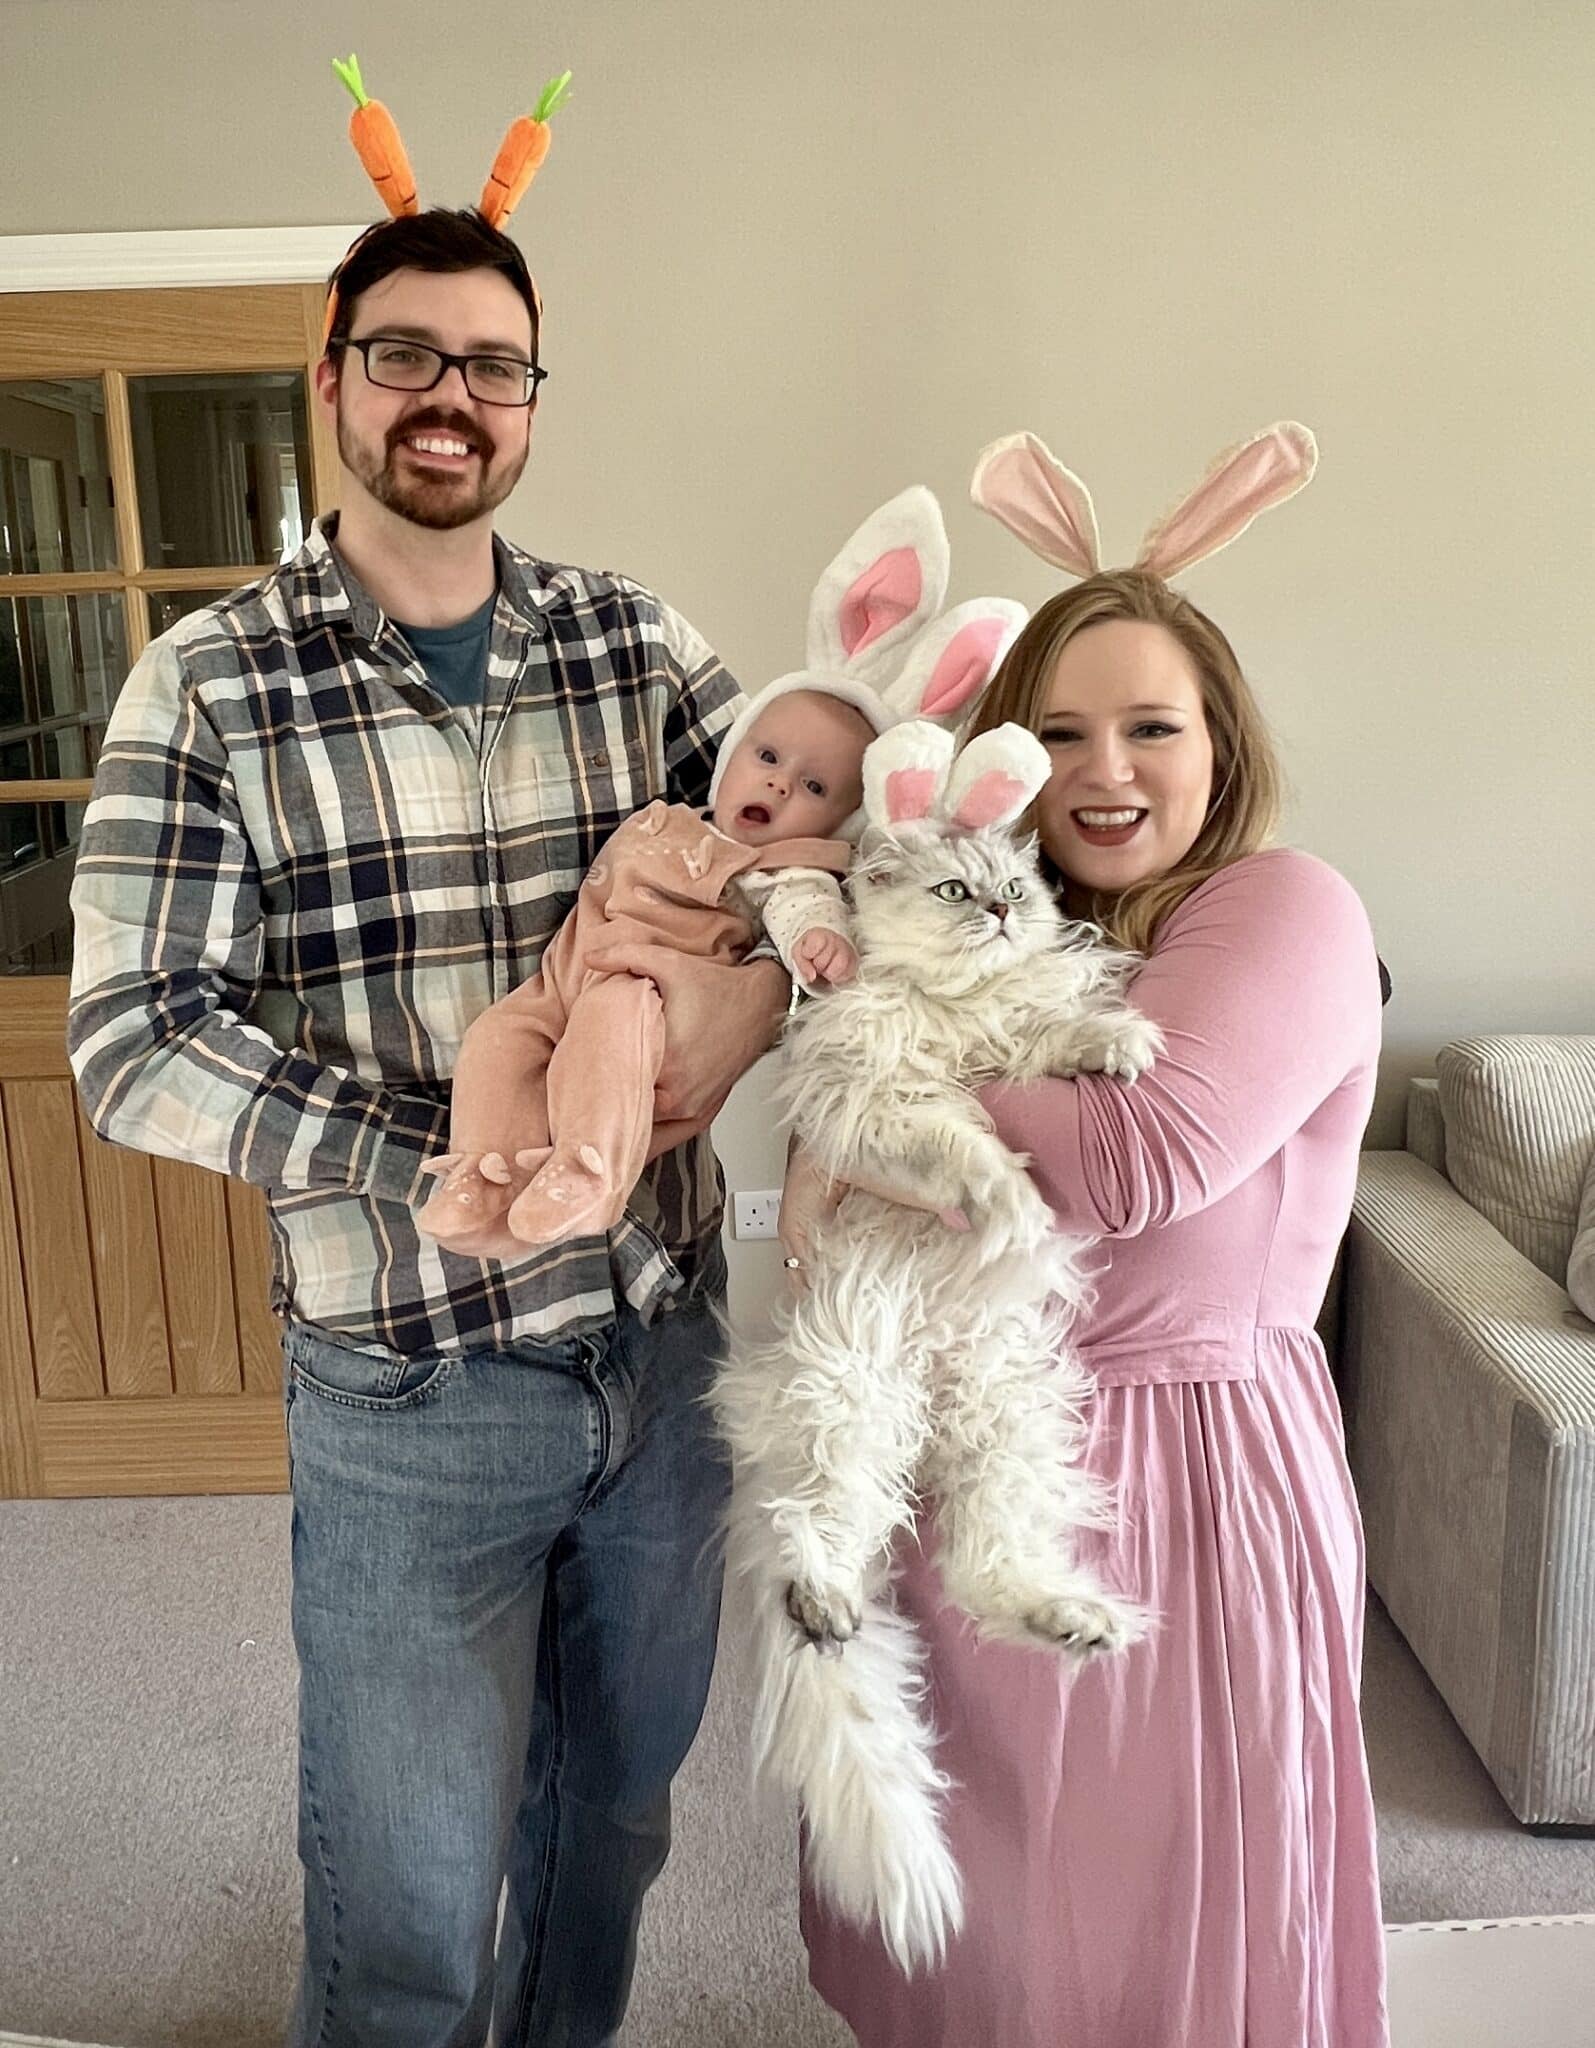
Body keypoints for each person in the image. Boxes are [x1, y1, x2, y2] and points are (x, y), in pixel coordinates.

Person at [66, 203, 789, 2048]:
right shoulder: (211, 683)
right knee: (404, 1903)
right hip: (411, 1387)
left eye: (492, 363)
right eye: (403, 355)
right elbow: (136, 1038)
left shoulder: (640, 644)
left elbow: (813, 857)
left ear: (534, 401)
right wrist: (456, 1160)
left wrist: (744, 1002)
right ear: (332, 378)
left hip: (664, 1345)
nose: (446, 396)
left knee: (611, 1827)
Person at [779, 428, 1391, 2045]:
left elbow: (1139, 1153)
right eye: (1058, 732)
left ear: (1222, 738)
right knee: (970, 1926)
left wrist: (867, 1123)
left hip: (1180, 1478)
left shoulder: (1286, 910)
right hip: (960, 1432)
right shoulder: (1022, 938)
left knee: (1143, 1927)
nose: (1104, 767)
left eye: (1149, 725)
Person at [417, 680, 881, 1257]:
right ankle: (486, 1171)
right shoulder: (670, 820)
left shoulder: (784, 868)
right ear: (732, 753)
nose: (779, 782)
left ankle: (589, 1171)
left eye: (814, 786)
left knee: (608, 1038)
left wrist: (818, 941)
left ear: (837, 823)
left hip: (645, 993)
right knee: (496, 1038)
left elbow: (803, 909)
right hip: (560, 980)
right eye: (766, 757)